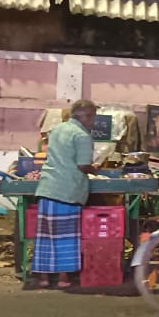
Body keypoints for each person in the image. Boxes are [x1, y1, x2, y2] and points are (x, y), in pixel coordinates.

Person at [32, 100, 99, 290]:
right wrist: (94, 168)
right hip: (67, 191)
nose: (93, 121)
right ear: (85, 116)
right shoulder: (82, 136)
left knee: (45, 236)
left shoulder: (57, 130)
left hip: (48, 188)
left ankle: (44, 278)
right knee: (66, 236)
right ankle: (63, 278)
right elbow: (82, 166)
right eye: (92, 117)